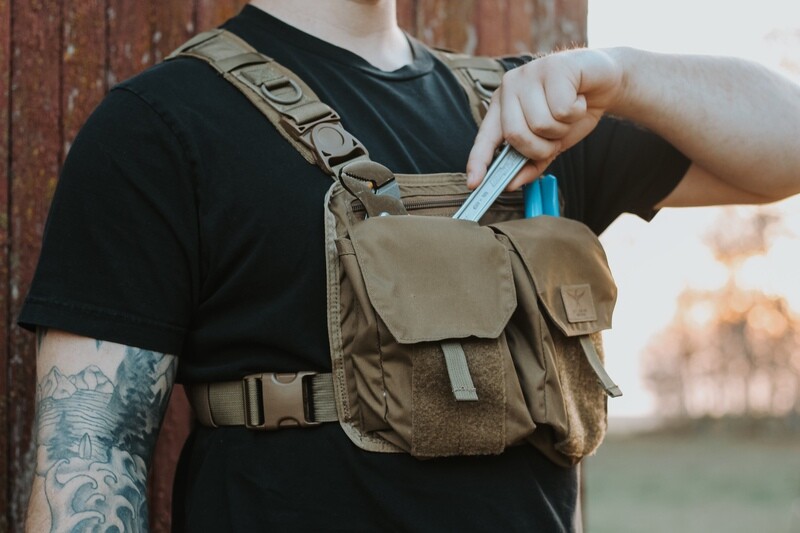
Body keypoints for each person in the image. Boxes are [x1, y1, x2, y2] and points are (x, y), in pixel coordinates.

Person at [20, 1, 800, 531]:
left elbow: (786, 148)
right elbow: (92, 450)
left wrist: (623, 75)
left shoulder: (530, 113)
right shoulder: (161, 129)